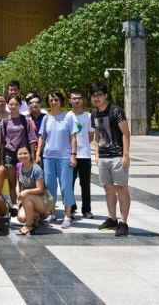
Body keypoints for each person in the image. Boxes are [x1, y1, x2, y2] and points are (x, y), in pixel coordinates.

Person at [90, 81, 131, 237]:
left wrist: (125, 154)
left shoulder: (116, 111)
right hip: (104, 157)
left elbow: (126, 133)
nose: (96, 98)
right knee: (108, 189)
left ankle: (123, 222)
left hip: (117, 156)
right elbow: (97, 135)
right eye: (94, 96)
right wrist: (97, 153)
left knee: (121, 188)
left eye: (99, 95)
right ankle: (112, 219)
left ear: (106, 95)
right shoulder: (94, 114)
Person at [35, 90, 77, 229]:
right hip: (48, 157)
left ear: (61, 101)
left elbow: (73, 137)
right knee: (50, 187)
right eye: (51, 100)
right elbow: (41, 137)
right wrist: (38, 154)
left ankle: (67, 216)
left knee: (66, 187)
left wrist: (73, 155)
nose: (53, 102)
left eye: (56, 100)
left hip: (64, 157)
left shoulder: (69, 117)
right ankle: (52, 214)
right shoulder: (47, 118)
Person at [1, 95, 38, 205]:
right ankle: (14, 206)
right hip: (9, 154)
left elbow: (32, 139)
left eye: (16, 104)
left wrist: (33, 155)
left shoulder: (26, 120)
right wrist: (1, 159)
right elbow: (3, 141)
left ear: (20, 106)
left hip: (23, 154)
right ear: (8, 105)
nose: (13, 106)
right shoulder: (5, 121)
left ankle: (23, 205)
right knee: (12, 182)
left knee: (24, 182)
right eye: (11, 104)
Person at [15, 145, 53, 237]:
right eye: (20, 153)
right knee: (21, 218)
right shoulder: (21, 167)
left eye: (25, 153)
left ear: (31, 154)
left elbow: (40, 189)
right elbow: (22, 185)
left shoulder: (36, 169)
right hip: (31, 199)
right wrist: (19, 199)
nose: (22, 156)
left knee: (27, 196)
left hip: (44, 200)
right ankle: (35, 218)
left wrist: (26, 192)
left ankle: (28, 226)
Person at [69, 89, 95, 219]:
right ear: (70, 100)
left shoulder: (88, 116)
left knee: (85, 184)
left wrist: (82, 145)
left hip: (84, 154)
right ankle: (71, 208)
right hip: (70, 155)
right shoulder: (67, 116)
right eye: (74, 98)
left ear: (82, 100)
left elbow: (91, 137)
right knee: (70, 183)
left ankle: (86, 209)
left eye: (79, 98)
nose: (77, 100)